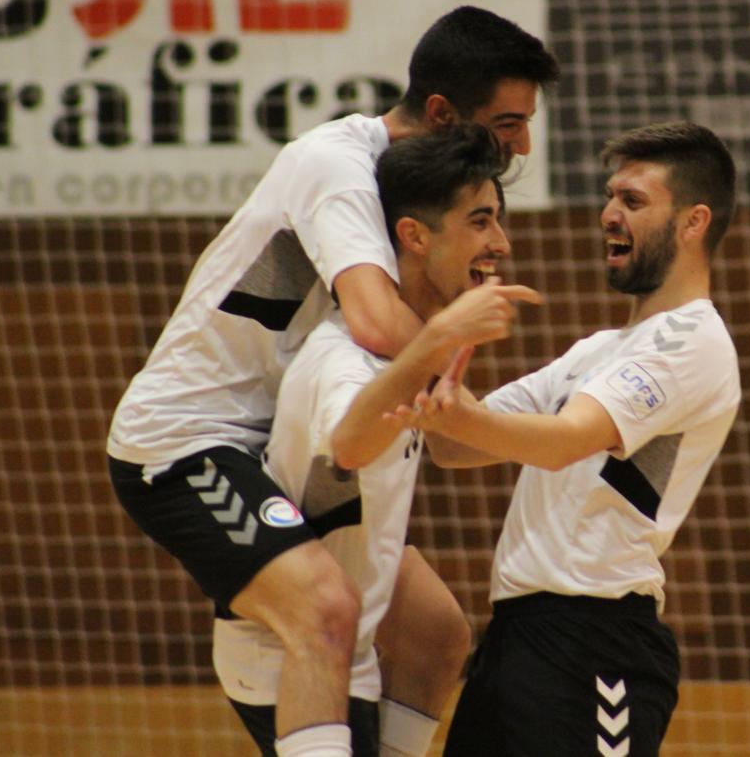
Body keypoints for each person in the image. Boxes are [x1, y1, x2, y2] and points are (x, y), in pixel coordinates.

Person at [107, 7, 558, 757]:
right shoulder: (337, 162)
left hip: (280, 431)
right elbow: (382, 325)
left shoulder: (408, 190)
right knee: (325, 608)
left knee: (437, 634)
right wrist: (458, 386)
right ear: (442, 114)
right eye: (508, 124)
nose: (523, 146)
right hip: (187, 442)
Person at [390, 121, 741, 757]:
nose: (609, 213)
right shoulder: (599, 350)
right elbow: (456, 446)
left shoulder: (693, 339)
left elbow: (563, 441)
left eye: (633, 201)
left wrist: (447, 397)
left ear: (693, 223)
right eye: (610, 196)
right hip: (518, 639)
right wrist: (438, 322)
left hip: (596, 645)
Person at [214, 125, 540, 756]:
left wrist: (572, 430)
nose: (500, 242)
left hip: (350, 645)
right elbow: (351, 444)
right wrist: (438, 340)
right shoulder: (350, 358)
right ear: (414, 236)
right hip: (290, 654)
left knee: (442, 632)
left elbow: (454, 443)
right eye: (480, 221)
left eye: (498, 221)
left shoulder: (410, 347)